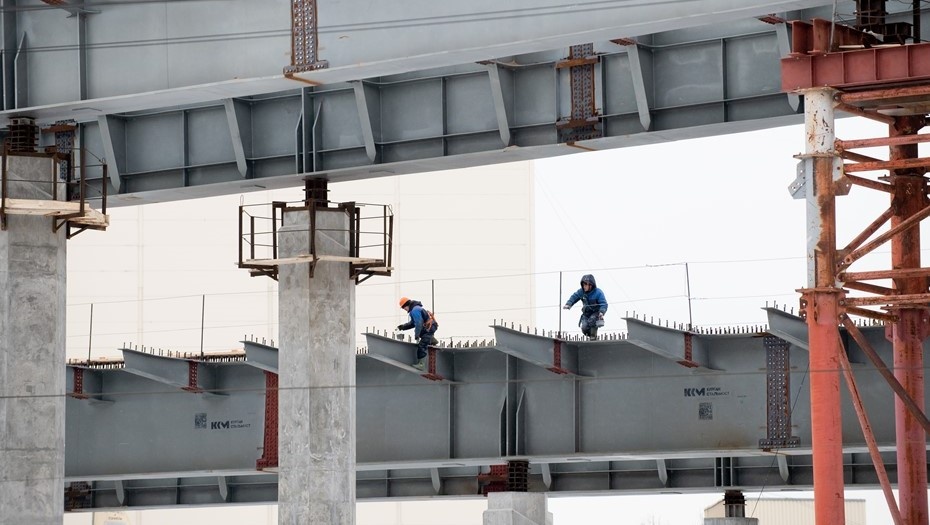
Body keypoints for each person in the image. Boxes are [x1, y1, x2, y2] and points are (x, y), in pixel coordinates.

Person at [396, 297, 439, 370]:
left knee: (422, 345)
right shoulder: (415, 309)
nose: (404, 309)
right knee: (423, 334)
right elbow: (413, 323)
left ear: (406, 305)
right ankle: (431, 339)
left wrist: (417, 335)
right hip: (430, 327)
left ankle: (421, 364)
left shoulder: (415, 310)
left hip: (429, 327)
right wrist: (403, 327)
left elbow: (419, 323)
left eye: (404, 308)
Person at [563, 274, 607, 340]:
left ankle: (593, 336)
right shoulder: (581, 292)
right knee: (584, 327)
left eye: (586, 285)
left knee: (592, 321)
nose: (584, 287)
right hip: (586, 314)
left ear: (591, 285)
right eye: (583, 285)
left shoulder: (598, 292)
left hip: (596, 313)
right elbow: (574, 297)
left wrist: (602, 312)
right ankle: (590, 335)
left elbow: (604, 304)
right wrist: (569, 304)